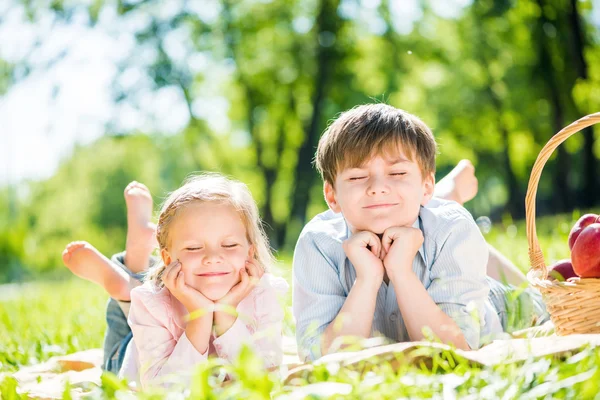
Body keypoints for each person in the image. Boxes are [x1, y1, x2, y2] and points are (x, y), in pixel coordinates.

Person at [292, 104, 548, 361]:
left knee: (542, 302)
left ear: (427, 186)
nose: (378, 188)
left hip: (493, 305)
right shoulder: (317, 243)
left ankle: (444, 198)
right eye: (358, 177)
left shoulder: (452, 228)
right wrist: (367, 280)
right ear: (331, 195)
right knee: (435, 222)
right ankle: (445, 195)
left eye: (397, 172)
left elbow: (455, 352)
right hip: (428, 226)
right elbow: (319, 360)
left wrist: (401, 272)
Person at [62, 174, 288, 388]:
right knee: (119, 348)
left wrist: (226, 314)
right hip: (132, 361)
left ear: (250, 252)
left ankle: (131, 275)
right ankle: (127, 283)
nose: (212, 258)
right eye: (193, 248)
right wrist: (200, 318)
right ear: (168, 258)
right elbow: (164, 392)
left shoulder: (264, 294)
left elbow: (265, 379)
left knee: (135, 299)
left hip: (150, 314)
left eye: (229, 245)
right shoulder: (151, 303)